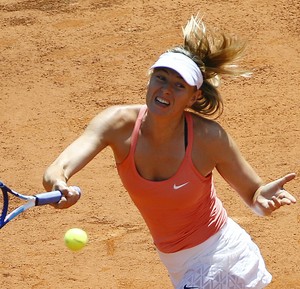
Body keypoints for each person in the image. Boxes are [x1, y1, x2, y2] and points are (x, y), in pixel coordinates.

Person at [43, 14, 296, 289]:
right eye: (160, 78)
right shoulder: (116, 124)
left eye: (179, 85)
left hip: (222, 258)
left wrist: (263, 200)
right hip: (177, 265)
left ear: (194, 96)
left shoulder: (208, 138)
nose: (165, 90)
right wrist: (59, 183)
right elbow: (58, 168)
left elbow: (254, 195)